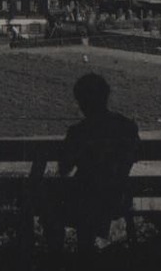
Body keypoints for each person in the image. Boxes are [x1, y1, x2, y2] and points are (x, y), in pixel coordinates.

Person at [55, 73, 140, 248]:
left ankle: (60, 256)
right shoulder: (127, 127)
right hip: (118, 198)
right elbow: (134, 156)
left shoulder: (78, 132)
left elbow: (64, 169)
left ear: (81, 102)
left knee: (57, 206)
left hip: (83, 199)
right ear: (106, 96)